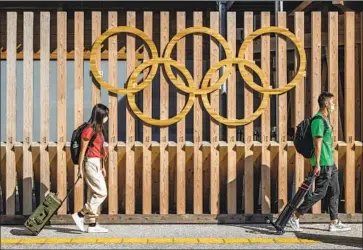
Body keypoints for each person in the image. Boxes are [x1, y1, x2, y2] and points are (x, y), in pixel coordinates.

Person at [288, 92, 351, 232]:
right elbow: (317, 144)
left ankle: (334, 222)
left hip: (330, 162)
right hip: (322, 163)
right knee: (320, 193)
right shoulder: (318, 120)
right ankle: (295, 216)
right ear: (326, 104)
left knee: (335, 190)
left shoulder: (325, 119)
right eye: (332, 103)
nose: (334, 105)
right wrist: (316, 164)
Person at [72, 104, 109, 233]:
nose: (107, 118)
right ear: (99, 115)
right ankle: (80, 215)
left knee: (93, 193)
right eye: (105, 115)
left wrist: (103, 166)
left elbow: (100, 149)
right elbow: (83, 150)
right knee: (102, 192)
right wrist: (80, 169)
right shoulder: (89, 130)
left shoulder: (99, 129)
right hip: (90, 163)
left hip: (97, 163)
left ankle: (92, 225)